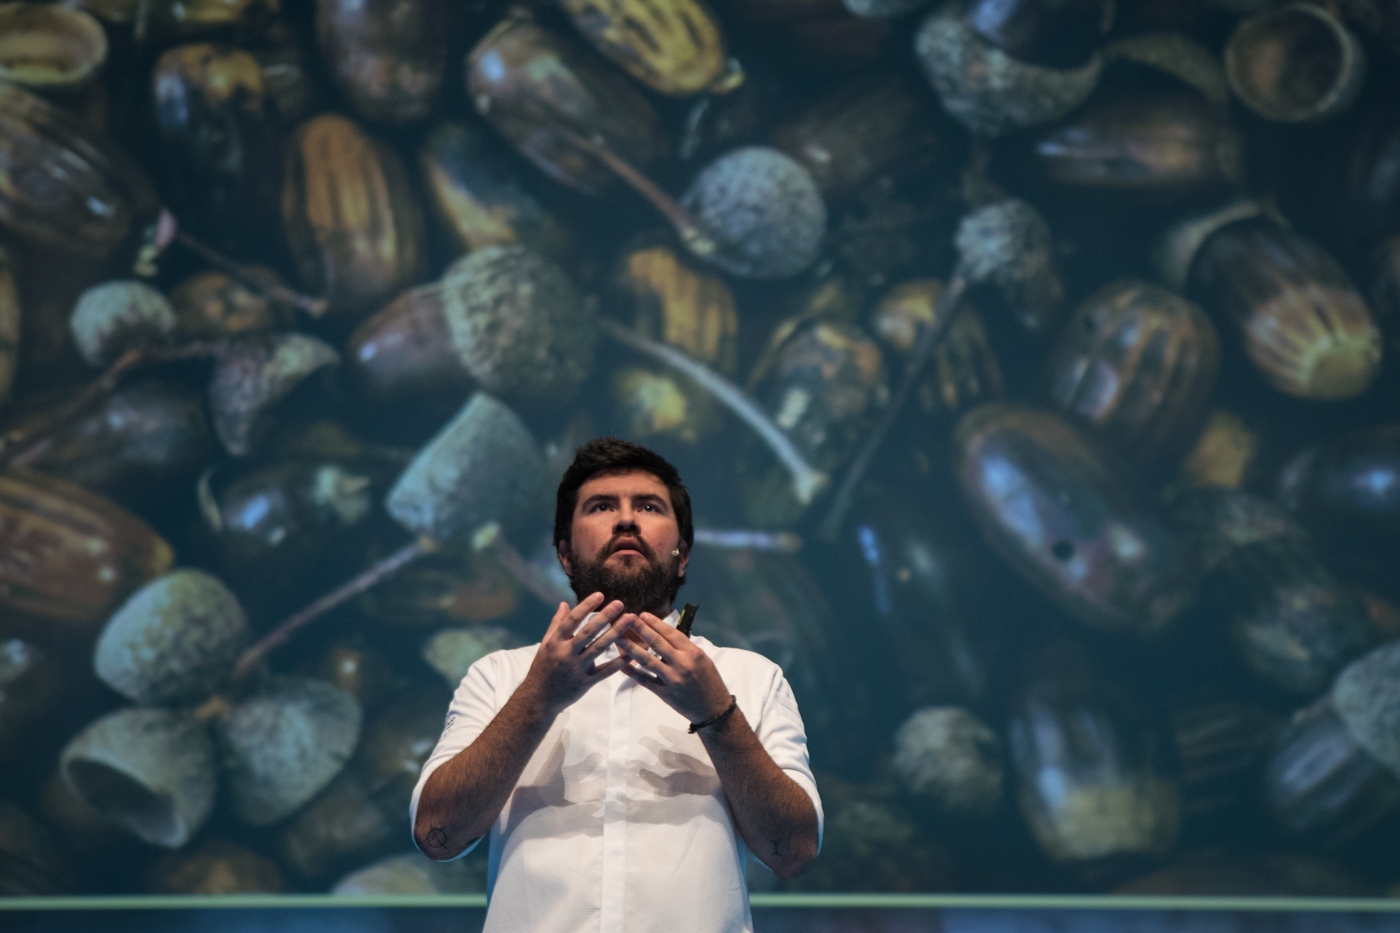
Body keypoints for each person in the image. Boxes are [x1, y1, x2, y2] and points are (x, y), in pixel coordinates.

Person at [410, 437, 822, 932]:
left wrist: (714, 713)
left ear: (683, 555)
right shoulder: (500, 677)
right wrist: (538, 699)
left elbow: (795, 853)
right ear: (565, 555)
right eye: (601, 506)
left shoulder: (750, 677)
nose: (626, 520)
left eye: (648, 506)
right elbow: (437, 836)